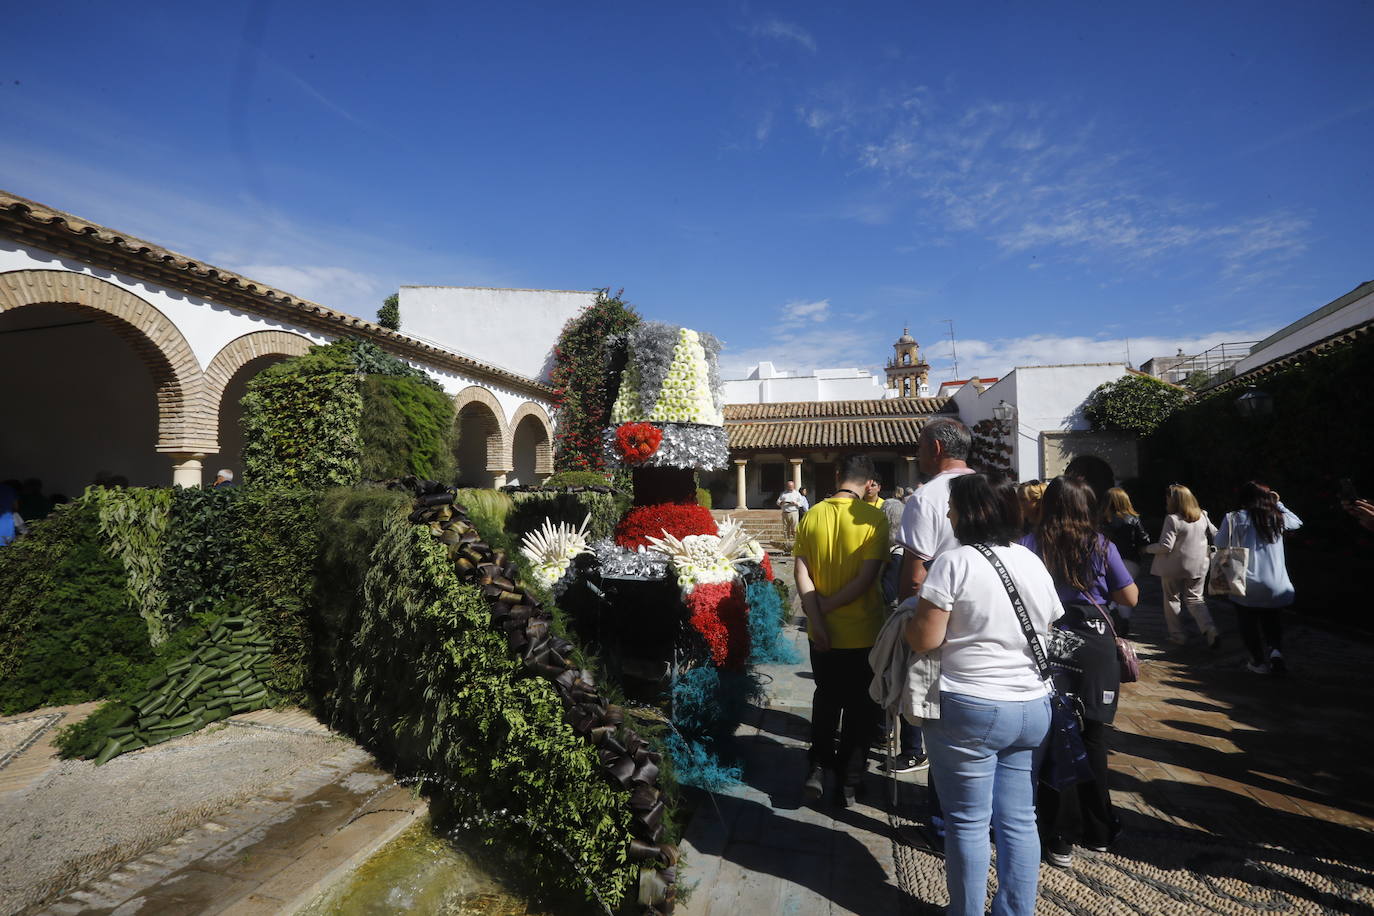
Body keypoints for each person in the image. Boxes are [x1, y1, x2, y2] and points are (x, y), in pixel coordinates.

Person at [905, 474, 1060, 916]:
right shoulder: (1030, 561)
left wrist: (909, 620)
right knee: (1018, 820)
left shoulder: (954, 563)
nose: (949, 515)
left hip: (970, 705)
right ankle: (1015, 911)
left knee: (968, 824)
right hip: (1032, 704)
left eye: (952, 508)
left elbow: (925, 640)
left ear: (969, 513)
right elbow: (1049, 623)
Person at [1022, 477, 1137, 867]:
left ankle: (1059, 837)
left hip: (1051, 645)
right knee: (1093, 739)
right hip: (1096, 650)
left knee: (1057, 739)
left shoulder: (1031, 544)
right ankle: (1100, 829)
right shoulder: (1102, 545)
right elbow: (1130, 597)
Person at [794, 454, 890, 806]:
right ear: (869, 484)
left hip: (821, 633)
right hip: (863, 632)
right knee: (859, 708)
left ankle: (817, 767)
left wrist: (817, 616)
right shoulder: (874, 518)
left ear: (838, 476)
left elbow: (801, 571)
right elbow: (866, 581)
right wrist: (826, 609)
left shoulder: (813, 514)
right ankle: (849, 781)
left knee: (826, 698)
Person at [1217, 482, 1302, 675]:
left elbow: (1220, 543)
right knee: (1272, 620)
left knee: (1247, 621)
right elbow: (1297, 521)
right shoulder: (1277, 518)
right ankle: (1275, 652)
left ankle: (1257, 661)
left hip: (1244, 581)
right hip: (1275, 582)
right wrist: (1278, 503)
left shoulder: (1234, 518)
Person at [1145, 484, 1220, 647]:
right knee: (1195, 599)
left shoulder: (1172, 519)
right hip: (1199, 565)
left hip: (1173, 567)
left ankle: (1178, 635)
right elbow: (1216, 534)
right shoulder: (1203, 516)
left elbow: (1165, 546)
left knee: (1172, 599)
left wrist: (1147, 548)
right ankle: (1209, 629)